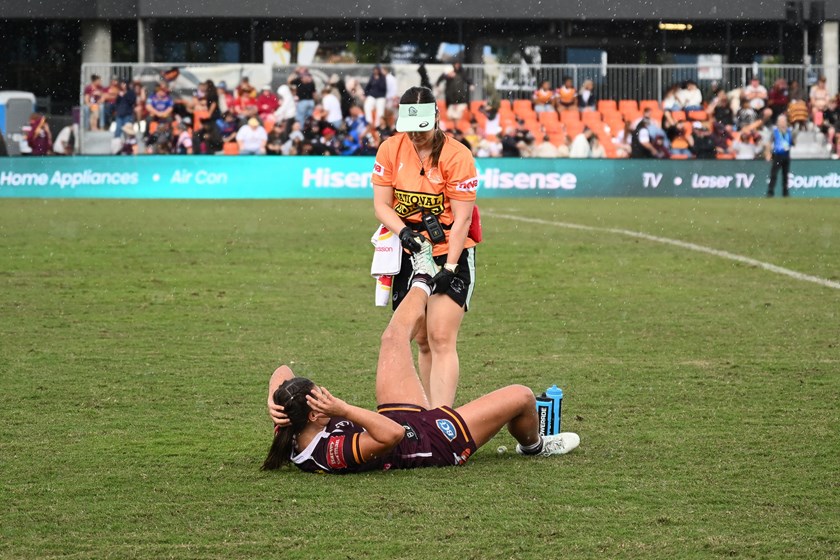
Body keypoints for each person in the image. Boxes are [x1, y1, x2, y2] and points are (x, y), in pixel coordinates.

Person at [262, 271, 580, 474]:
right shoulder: (331, 453)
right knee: (522, 397)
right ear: (316, 413)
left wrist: (273, 403)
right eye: (321, 398)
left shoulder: (292, 422)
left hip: (401, 417)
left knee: (392, 339)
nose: (326, 397)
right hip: (431, 441)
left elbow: (281, 371)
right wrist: (342, 409)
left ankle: (423, 277)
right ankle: (534, 447)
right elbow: (393, 435)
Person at [372, 86, 479, 408]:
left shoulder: (458, 156)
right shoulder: (390, 149)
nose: (416, 137)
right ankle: (429, 412)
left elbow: (462, 220)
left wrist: (448, 267)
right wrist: (404, 232)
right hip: (408, 249)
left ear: (435, 118)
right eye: (409, 129)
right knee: (421, 340)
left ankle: (443, 418)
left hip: (450, 248)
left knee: (441, 336)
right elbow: (382, 205)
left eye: (422, 129)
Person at [766, 114, 793, 197]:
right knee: (774, 174)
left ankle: (785, 193)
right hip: (777, 155)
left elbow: (792, 142)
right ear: (778, 123)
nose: (782, 123)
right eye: (781, 122)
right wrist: (768, 153)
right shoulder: (775, 132)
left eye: (784, 121)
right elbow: (769, 143)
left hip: (786, 155)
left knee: (785, 175)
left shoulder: (789, 131)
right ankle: (770, 192)